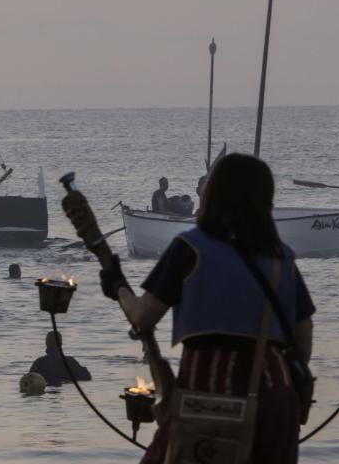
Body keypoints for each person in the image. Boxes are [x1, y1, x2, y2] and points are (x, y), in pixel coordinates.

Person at [69, 154, 314, 464]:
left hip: (208, 394)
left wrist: (118, 286)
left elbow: (143, 317)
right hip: (276, 400)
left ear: (213, 194)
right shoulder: (283, 259)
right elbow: (304, 340)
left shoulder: (191, 248)